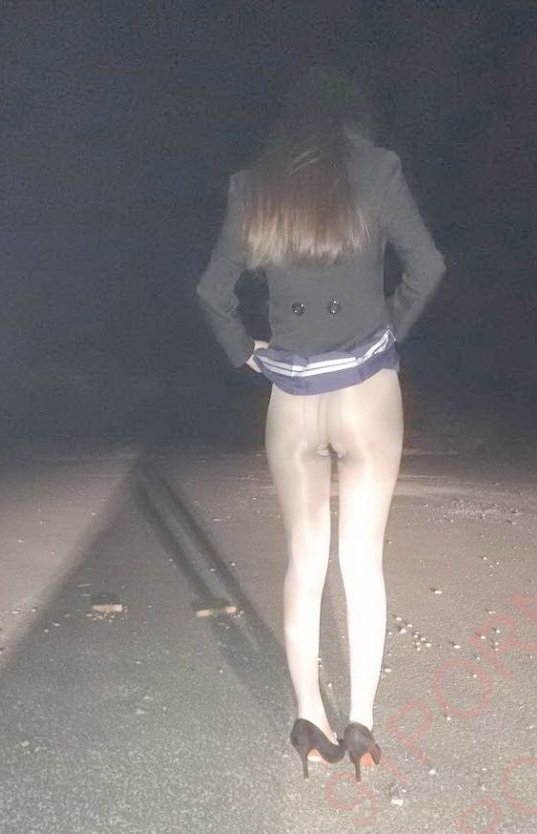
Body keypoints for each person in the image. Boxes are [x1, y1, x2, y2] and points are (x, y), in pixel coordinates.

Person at [195, 64, 446, 782]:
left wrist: (246, 350)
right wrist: (386, 329)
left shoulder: (255, 185)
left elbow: (212, 291)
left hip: (294, 396)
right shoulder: (378, 169)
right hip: (366, 389)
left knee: (305, 559)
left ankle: (309, 721)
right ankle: (361, 725)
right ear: (350, 117)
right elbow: (428, 264)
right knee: (361, 562)